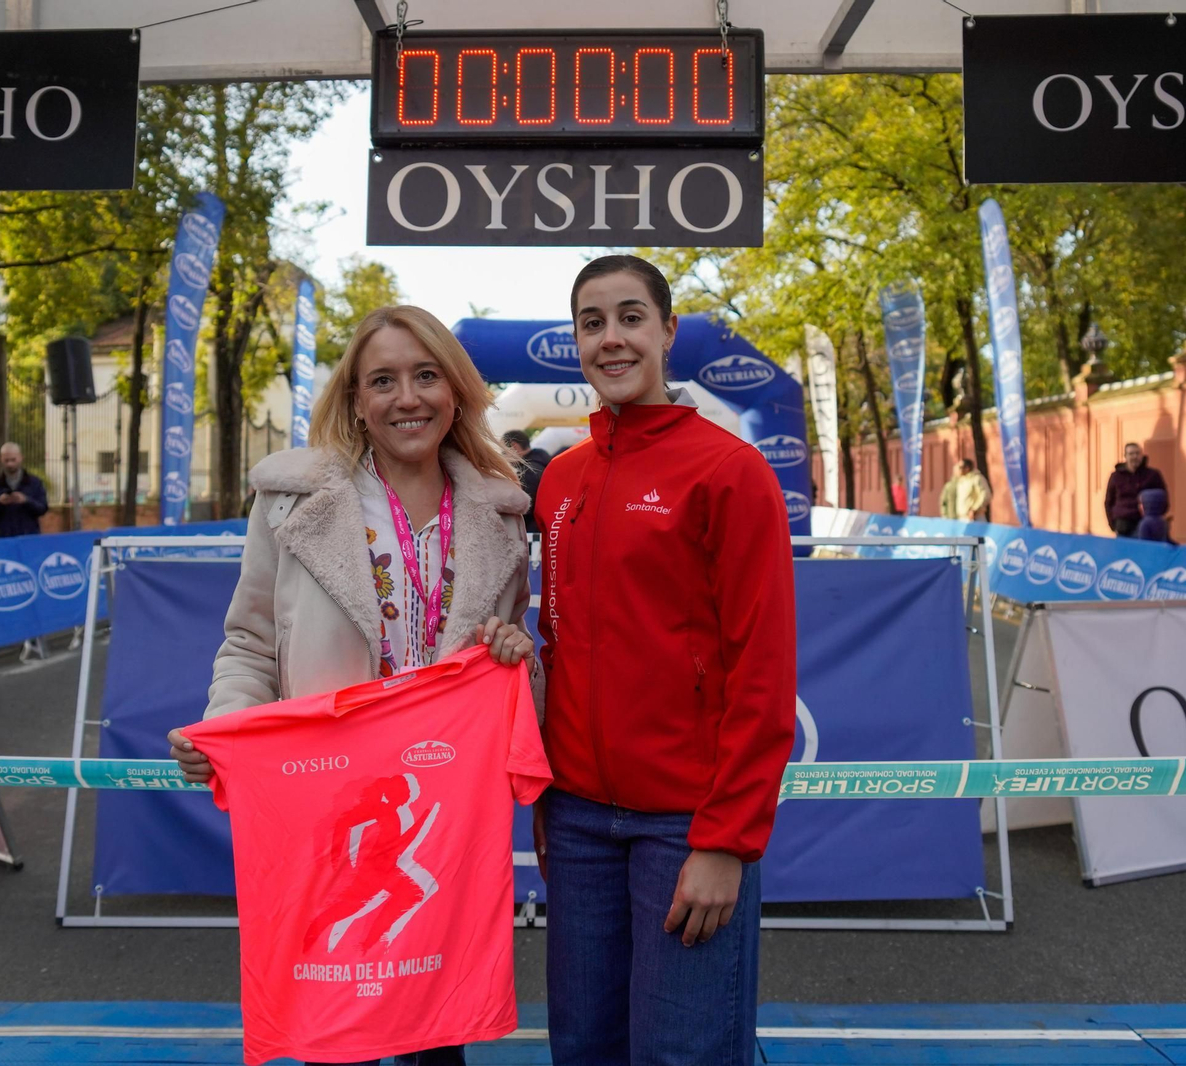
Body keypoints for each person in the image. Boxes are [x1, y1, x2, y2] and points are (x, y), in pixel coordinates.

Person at [168, 305, 540, 1066]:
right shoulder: (294, 504)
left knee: (437, 1039)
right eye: (384, 381)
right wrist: (231, 731)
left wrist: (516, 656)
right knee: (338, 1035)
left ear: (456, 391)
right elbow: (249, 642)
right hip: (325, 804)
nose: (408, 397)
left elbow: (518, 690)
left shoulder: (502, 520)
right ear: (357, 401)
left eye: (426, 376)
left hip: (440, 815)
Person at [534, 255, 797, 1066]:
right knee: (583, 1048)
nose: (611, 339)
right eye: (592, 323)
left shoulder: (730, 471)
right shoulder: (561, 482)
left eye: (630, 318)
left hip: (686, 828)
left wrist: (726, 840)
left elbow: (764, 670)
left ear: (668, 331)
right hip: (576, 822)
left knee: (681, 1053)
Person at [0, 442, 48, 537]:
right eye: (6, 460)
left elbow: (43, 508)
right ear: (1, 459)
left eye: (13, 460)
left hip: (28, 536)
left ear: (21, 457)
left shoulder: (34, 483)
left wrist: (26, 500)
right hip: (2, 538)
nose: (10, 464)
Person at [1105, 442, 1166, 537]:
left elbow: (1163, 498)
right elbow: (1109, 502)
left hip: (1146, 526)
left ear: (1142, 455)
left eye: (1137, 453)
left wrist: (1156, 518)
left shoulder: (1153, 475)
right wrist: (1112, 524)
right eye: (1131, 454)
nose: (1135, 456)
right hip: (1123, 526)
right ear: (1125, 456)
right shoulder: (1115, 477)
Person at [501, 429, 551, 535]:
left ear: (514, 447)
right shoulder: (544, 464)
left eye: (503, 451)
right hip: (545, 528)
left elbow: (523, 507)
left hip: (532, 532)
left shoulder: (527, 472)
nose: (503, 456)